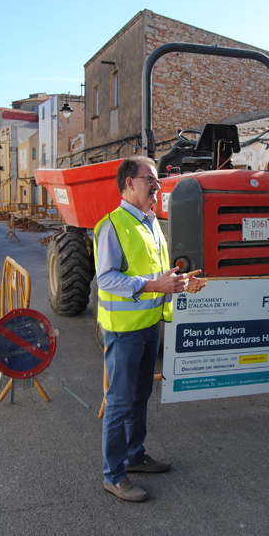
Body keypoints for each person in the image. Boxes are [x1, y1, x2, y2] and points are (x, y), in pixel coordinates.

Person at [94, 155, 206, 502]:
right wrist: (156, 286)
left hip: (148, 326)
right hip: (124, 330)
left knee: (140, 397)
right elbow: (106, 278)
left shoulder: (151, 223)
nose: (157, 186)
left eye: (157, 180)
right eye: (150, 179)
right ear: (129, 183)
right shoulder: (112, 224)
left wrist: (181, 282)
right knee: (119, 402)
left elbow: (160, 274)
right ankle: (113, 475)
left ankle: (136, 456)